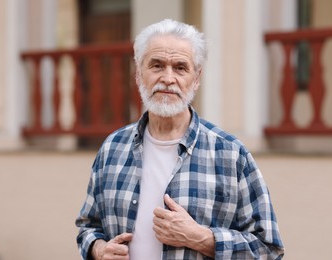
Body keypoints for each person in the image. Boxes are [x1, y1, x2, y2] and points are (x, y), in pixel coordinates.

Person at [75, 19, 284, 260]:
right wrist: (99, 250)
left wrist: (202, 238)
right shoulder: (112, 148)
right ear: (138, 73)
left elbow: (269, 250)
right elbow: (88, 227)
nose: (168, 78)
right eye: (156, 65)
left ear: (196, 78)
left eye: (180, 68)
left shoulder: (230, 155)